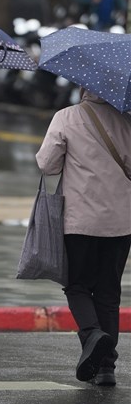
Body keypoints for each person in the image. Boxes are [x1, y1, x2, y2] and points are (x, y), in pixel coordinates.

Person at [36, 89, 131, 387]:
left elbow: (47, 164)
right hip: (121, 223)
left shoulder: (66, 116)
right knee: (108, 292)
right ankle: (106, 368)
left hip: (79, 221)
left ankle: (92, 334)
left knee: (77, 285)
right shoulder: (126, 120)